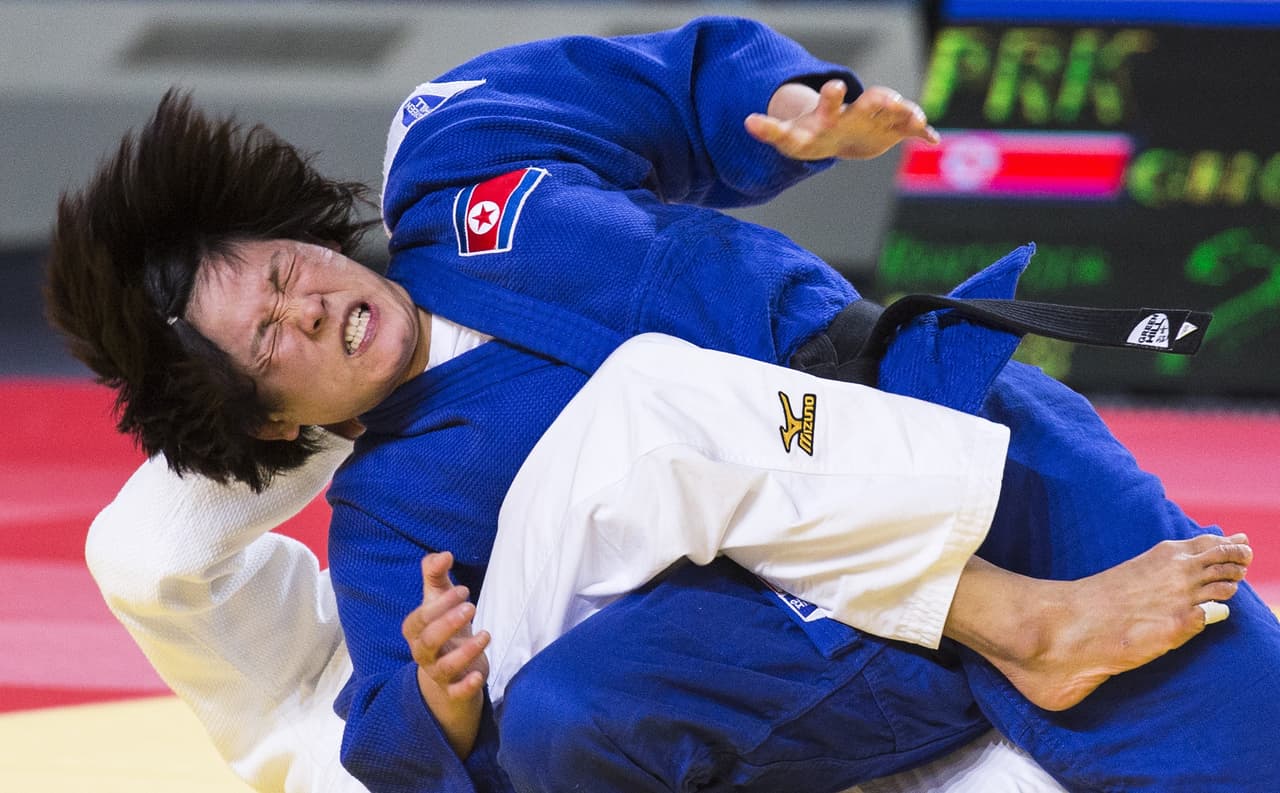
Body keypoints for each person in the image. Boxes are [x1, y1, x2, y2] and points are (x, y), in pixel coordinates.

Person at [45, 16, 1277, 792]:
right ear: (271, 425)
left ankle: (1015, 617)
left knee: (1247, 736)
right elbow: (388, 737)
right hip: (798, 636)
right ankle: (1010, 625)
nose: (305, 305)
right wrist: (442, 689)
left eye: (278, 271)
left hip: (949, 435)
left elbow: (676, 76)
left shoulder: (463, 157)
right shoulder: (386, 510)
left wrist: (795, 103)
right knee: (573, 705)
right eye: (266, 339)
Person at [85, 424, 1068, 793]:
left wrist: (383, 402)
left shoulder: (301, 714)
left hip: (364, 694)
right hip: (563, 688)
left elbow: (151, 553)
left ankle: (386, 389)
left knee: (140, 555)